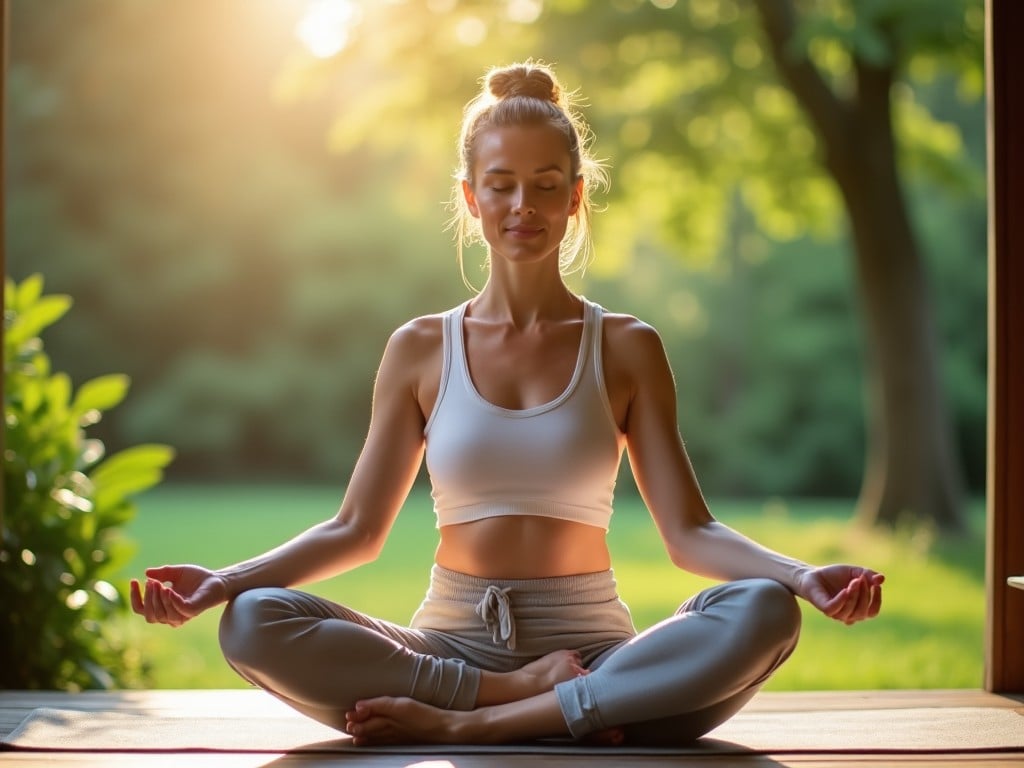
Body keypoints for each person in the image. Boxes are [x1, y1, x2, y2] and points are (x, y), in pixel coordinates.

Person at [131, 61, 884, 747]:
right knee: (256, 620)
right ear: (470, 195)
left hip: (594, 652)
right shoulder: (420, 348)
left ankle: (474, 725)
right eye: (501, 184)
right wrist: (224, 583)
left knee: (763, 611)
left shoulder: (626, 347)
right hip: (445, 654)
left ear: (576, 197)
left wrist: (800, 576)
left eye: (546, 183)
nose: (523, 205)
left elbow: (690, 531)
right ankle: (523, 700)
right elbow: (355, 529)